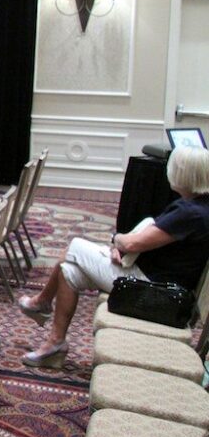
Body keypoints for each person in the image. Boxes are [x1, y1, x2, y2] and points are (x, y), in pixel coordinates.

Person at [18, 145, 209, 368]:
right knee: (68, 270)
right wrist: (123, 246)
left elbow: (132, 242)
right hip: (159, 283)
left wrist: (117, 240)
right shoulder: (198, 207)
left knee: (74, 247)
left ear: (181, 173)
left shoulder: (190, 213)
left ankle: (42, 303)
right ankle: (55, 342)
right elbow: (148, 239)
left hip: (154, 291)